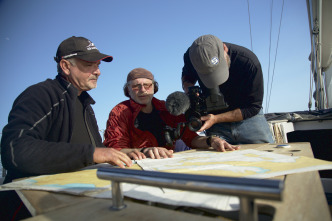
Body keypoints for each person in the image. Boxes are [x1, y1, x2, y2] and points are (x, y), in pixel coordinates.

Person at [1, 36, 133, 184]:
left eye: (98, 65)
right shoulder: (41, 94)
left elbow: (99, 152)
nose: (98, 72)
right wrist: (90, 154)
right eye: (89, 64)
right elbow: (14, 150)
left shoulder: (86, 105)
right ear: (65, 66)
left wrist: (132, 153)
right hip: (31, 200)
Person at [103, 67, 239, 160]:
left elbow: (191, 138)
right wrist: (144, 151)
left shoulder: (167, 108)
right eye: (135, 86)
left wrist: (211, 140)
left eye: (147, 85)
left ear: (154, 87)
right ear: (128, 90)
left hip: (169, 164)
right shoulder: (119, 112)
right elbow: (116, 149)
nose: (142, 90)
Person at [181, 34, 274, 144]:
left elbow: (253, 107)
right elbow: (187, 78)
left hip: (248, 117)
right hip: (214, 122)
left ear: (224, 48)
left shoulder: (248, 62)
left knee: (264, 155)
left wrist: (216, 118)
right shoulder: (192, 56)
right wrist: (190, 92)